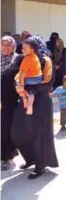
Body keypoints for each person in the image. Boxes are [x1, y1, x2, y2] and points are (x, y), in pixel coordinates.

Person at [11, 36, 59, 180]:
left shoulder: (46, 60)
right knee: (17, 132)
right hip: (24, 98)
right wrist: (18, 87)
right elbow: (16, 76)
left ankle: (40, 165)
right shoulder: (23, 58)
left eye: (28, 46)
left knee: (40, 134)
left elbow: (48, 83)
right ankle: (30, 158)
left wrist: (27, 88)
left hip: (41, 101)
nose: (24, 49)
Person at [1, 36, 20, 171]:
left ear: (13, 46)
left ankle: (8, 157)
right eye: (3, 45)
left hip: (10, 99)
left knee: (7, 128)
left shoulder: (18, 59)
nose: (5, 47)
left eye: (8, 45)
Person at [17, 38, 43, 115]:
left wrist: (21, 83)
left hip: (30, 79)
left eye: (25, 48)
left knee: (19, 87)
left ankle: (27, 104)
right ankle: (29, 105)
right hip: (38, 78)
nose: (22, 50)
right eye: (22, 48)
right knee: (32, 93)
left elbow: (23, 73)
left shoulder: (27, 59)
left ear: (32, 49)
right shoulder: (35, 56)